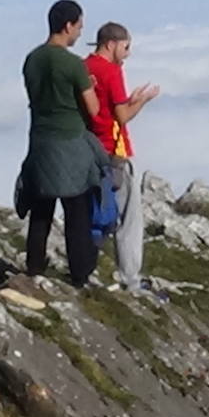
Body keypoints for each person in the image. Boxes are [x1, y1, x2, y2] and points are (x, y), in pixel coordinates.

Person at [17, 0, 109, 288]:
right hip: (69, 142)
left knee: (41, 208)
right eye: (79, 27)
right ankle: (80, 274)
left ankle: (34, 267)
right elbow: (92, 109)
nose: (80, 33)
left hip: (40, 142)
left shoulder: (32, 59)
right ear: (68, 25)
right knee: (76, 210)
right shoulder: (72, 64)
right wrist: (89, 88)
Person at [84, 22, 160, 292]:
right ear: (111, 44)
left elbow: (105, 107)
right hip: (114, 152)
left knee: (92, 212)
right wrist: (143, 101)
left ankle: (83, 269)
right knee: (129, 218)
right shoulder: (111, 72)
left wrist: (130, 98)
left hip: (88, 148)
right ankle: (130, 278)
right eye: (126, 47)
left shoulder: (85, 66)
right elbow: (122, 116)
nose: (127, 53)